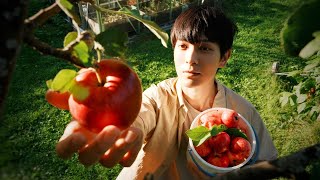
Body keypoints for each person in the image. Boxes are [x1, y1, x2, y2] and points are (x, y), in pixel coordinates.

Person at [56, 5, 278, 179]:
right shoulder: (158, 99)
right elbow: (139, 116)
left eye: (204, 48)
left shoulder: (240, 113)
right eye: (183, 46)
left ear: (224, 58)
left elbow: (266, 163)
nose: (191, 60)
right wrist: (119, 128)